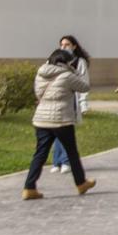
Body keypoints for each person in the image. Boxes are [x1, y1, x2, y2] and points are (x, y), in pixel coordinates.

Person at [22, 49, 96, 201]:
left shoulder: (40, 73)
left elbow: (37, 93)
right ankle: (81, 183)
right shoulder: (67, 75)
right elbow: (84, 87)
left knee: (40, 154)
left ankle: (29, 187)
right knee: (72, 153)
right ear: (65, 62)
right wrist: (74, 71)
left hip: (41, 119)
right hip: (61, 120)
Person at [49, 35, 90, 175]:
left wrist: (83, 104)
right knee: (57, 133)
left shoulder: (79, 62)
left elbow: (84, 82)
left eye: (67, 44)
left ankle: (65, 161)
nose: (64, 47)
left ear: (74, 46)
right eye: (62, 44)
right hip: (57, 102)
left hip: (71, 101)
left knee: (66, 133)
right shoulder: (55, 60)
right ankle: (56, 162)